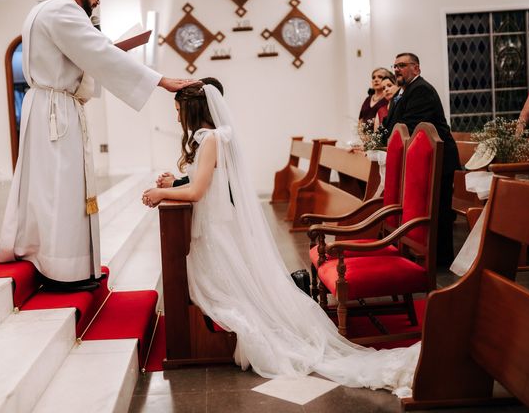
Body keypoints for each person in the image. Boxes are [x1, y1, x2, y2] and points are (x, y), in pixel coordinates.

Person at [142, 81, 420, 396]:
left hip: (215, 231)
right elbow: (205, 182)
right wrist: (175, 183)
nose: (176, 117)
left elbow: (198, 191)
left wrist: (160, 192)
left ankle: (208, 339)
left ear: (191, 110)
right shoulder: (214, 138)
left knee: (226, 295)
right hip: (215, 226)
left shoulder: (209, 139)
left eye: (178, 110)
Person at [0, 0, 196, 291]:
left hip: (50, 108)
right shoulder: (62, 10)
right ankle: (62, 271)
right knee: (61, 189)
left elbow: (89, 53)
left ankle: (59, 262)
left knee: (53, 190)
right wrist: (160, 80)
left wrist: (100, 33)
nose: (98, 1)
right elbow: (98, 53)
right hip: (55, 113)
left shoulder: (47, 7)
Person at [382, 52, 460, 267]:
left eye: (402, 65)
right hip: (425, 159)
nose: (397, 69)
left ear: (416, 68)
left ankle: (442, 260)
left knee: (439, 211)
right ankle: (426, 253)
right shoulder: (404, 92)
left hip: (439, 159)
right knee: (428, 209)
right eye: (395, 65)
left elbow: (410, 125)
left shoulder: (421, 90)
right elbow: (390, 123)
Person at [156, 76, 224, 188]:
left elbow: (203, 187)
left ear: (195, 108)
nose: (178, 119)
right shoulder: (206, 136)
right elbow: (202, 176)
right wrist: (176, 181)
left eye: (179, 111)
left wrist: (172, 185)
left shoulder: (212, 138)